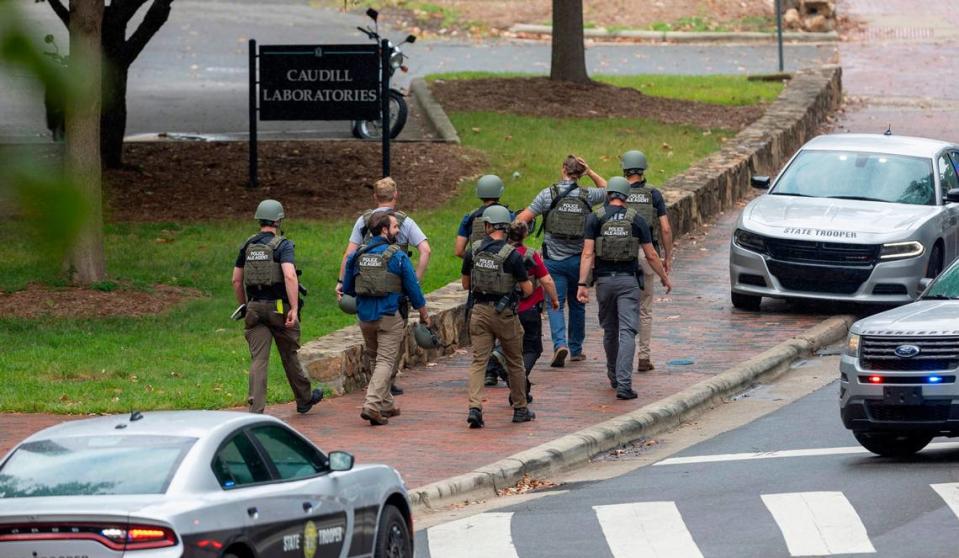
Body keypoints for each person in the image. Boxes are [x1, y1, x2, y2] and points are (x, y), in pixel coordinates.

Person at [576, 178, 672, 400]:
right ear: (626, 196)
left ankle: (613, 375)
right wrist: (664, 277)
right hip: (628, 282)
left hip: (604, 282)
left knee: (610, 331)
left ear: (609, 194)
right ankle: (624, 384)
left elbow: (588, 254)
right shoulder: (636, 219)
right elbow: (650, 255)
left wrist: (582, 284)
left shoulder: (595, 218)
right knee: (627, 331)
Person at [337, 176, 431, 395]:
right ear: (396, 195)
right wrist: (415, 279)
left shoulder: (363, 221)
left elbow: (349, 254)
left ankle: (380, 390)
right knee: (392, 341)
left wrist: (341, 282)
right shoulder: (404, 222)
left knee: (373, 347)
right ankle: (385, 385)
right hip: (395, 295)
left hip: (367, 293)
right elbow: (425, 250)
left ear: (374, 196)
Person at [232, 199, 323, 414]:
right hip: (279, 309)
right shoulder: (283, 245)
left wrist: (244, 305)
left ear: (259, 220)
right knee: (289, 354)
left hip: (254, 309)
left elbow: (236, 280)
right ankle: (304, 399)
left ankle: (256, 410)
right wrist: (293, 308)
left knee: (259, 360)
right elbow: (290, 276)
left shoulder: (248, 245)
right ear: (278, 220)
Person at [516, 155, 607, 367]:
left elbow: (521, 219)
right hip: (579, 261)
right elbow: (610, 190)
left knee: (555, 304)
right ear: (579, 172)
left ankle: (560, 344)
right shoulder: (587, 195)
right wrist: (591, 172)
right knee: (577, 303)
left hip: (553, 260)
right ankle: (576, 349)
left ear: (563, 169)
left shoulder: (547, 194)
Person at [343, 210, 430, 426]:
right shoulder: (397, 256)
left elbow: (348, 289)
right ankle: (372, 405)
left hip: (365, 316)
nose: (398, 230)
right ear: (384, 230)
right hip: (389, 316)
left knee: (374, 358)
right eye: (394, 227)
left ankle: (386, 403)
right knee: (385, 361)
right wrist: (423, 313)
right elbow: (413, 289)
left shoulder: (358, 255)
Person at [461, 205, 535, 428]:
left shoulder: (473, 251)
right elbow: (528, 289)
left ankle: (475, 407)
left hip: (479, 312)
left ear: (487, 226)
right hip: (504, 315)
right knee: (514, 361)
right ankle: (520, 408)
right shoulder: (511, 255)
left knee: (478, 362)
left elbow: (466, 283)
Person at [622, 150, 674, 372]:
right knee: (645, 308)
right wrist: (667, 257)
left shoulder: (618, 193)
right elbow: (665, 228)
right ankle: (644, 356)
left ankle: (622, 357)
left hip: (622, 254)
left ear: (624, 170)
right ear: (643, 170)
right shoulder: (654, 194)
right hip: (647, 254)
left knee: (624, 308)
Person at [501, 220, 559, 403]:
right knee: (533, 348)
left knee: (511, 349)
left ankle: (520, 391)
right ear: (525, 235)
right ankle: (519, 379)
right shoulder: (530, 255)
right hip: (529, 309)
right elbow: (547, 280)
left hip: (505, 309)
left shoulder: (500, 254)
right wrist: (555, 300)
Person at [455, 174, 512, 258]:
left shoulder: (469, 217)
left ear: (478, 192)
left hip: (477, 269)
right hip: (505, 268)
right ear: (500, 192)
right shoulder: (509, 215)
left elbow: (459, 251)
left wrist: (476, 261)